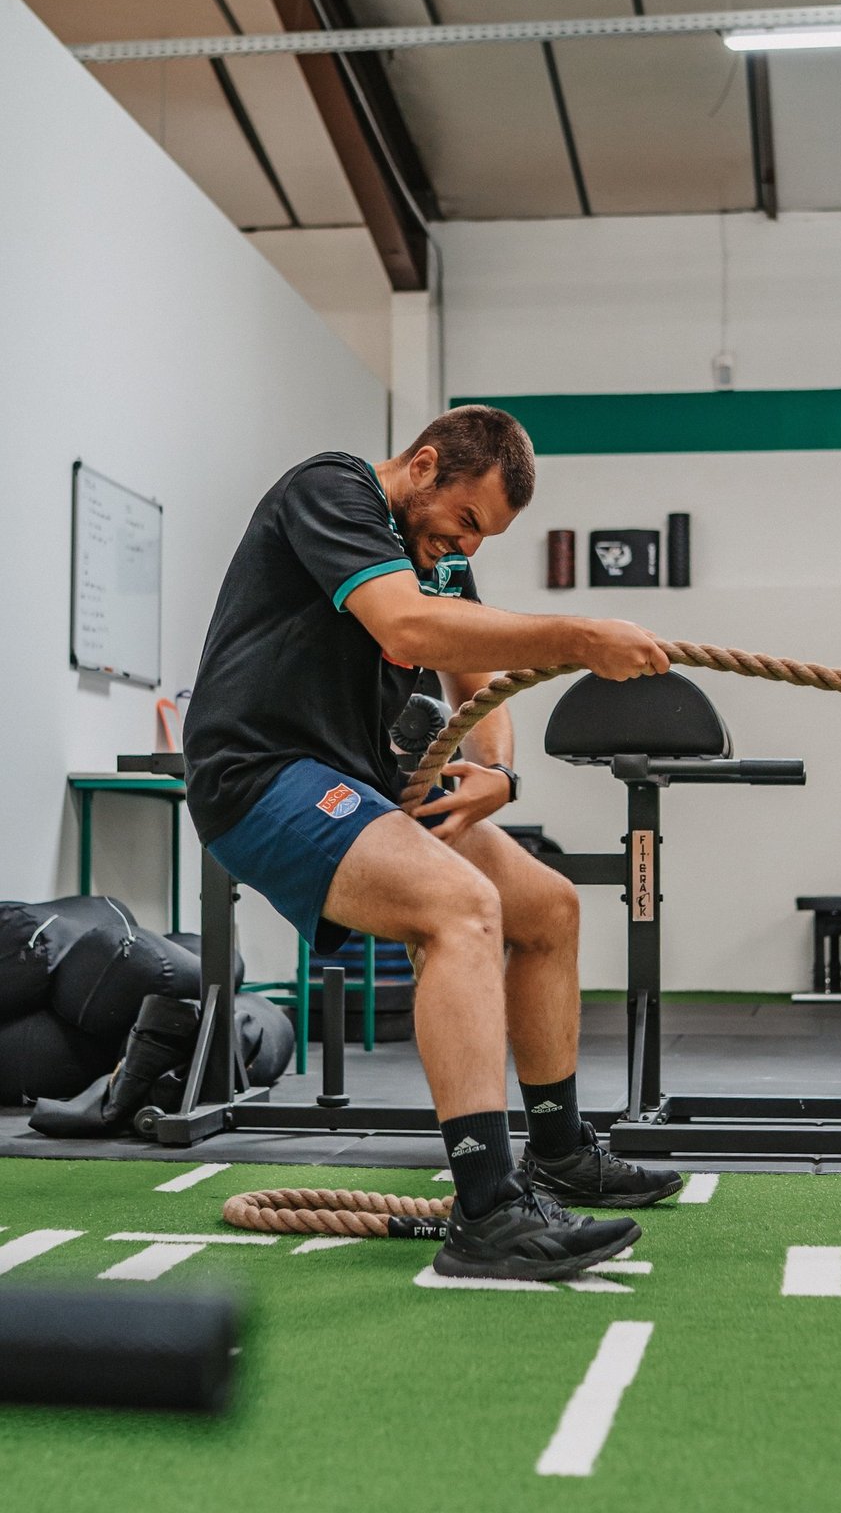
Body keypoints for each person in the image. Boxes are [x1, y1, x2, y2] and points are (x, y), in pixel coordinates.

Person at [184, 404, 680, 1282]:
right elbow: (406, 630)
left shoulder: (440, 561)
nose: (466, 548)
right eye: (466, 521)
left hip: (360, 785)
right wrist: (575, 636)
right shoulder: (330, 491)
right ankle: (487, 1210)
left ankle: (558, 1152)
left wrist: (499, 771)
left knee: (546, 907)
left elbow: (477, 682)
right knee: (460, 910)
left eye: (484, 536)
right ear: (422, 470)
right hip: (259, 775)